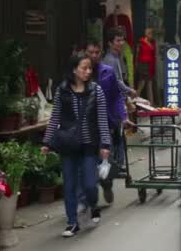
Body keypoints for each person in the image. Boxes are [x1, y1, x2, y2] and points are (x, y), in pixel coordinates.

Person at [42, 53, 111, 238]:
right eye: (84, 68)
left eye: (90, 68)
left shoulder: (97, 91)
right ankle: (72, 222)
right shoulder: (62, 90)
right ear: (74, 69)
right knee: (69, 185)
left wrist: (105, 145)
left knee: (89, 185)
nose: (88, 72)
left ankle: (93, 204)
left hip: (89, 145)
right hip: (68, 144)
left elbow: (103, 121)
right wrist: (47, 142)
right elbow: (55, 117)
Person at [85, 41, 131, 204]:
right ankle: (86, 195)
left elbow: (117, 96)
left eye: (97, 52)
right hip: (86, 125)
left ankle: (106, 184)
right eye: (91, 52)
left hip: (107, 122)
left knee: (105, 159)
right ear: (85, 53)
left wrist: (123, 116)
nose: (94, 55)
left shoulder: (108, 72)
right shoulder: (79, 73)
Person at [103, 28, 137, 99]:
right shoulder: (110, 59)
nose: (121, 43)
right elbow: (116, 81)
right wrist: (130, 90)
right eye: (118, 41)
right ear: (110, 43)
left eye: (122, 40)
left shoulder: (117, 56)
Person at [136, 28, 156, 105]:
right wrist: (137, 65)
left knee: (149, 84)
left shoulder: (153, 43)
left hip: (150, 64)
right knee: (142, 84)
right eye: (148, 33)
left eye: (151, 33)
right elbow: (137, 55)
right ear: (145, 34)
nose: (150, 35)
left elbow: (154, 54)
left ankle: (151, 103)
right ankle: (136, 101)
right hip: (143, 65)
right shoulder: (141, 43)